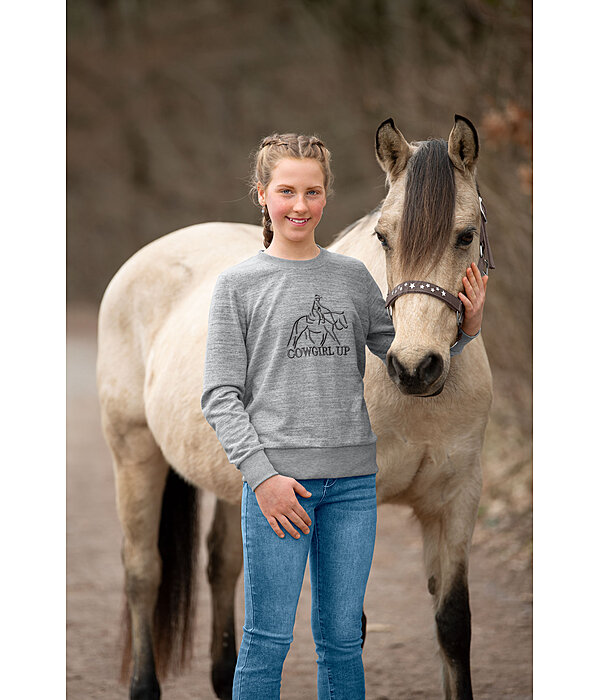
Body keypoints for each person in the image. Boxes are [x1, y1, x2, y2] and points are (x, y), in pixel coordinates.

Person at [200, 133, 487, 700]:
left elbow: (400, 357)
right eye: (286, 191)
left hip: (353, 488)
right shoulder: (237, 284)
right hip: (280, 487)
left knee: (341, 641)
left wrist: (468, 332)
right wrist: (262, 477)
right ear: (262, 194)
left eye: (312, 192)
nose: (300, 205)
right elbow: (219, 396)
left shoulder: (354, 278)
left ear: (327, 196)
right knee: (266, 640)